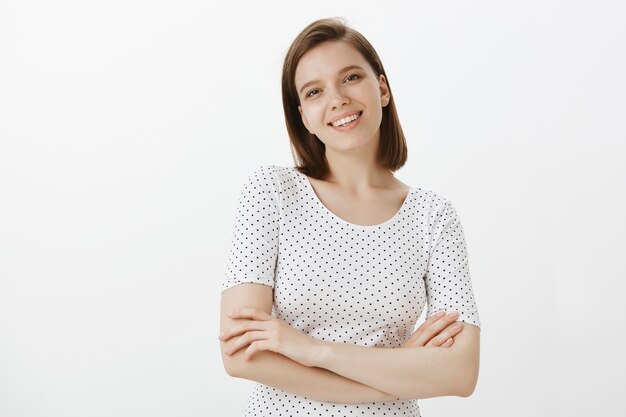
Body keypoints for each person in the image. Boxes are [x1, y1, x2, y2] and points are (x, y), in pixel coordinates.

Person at [218, 17, 481, 417]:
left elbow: (460, 373)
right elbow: (241, 356)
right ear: (303, 115)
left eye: (351, 77)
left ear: (382, 88)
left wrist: (310, 350)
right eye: (314, 91)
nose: (337, 98)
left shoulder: (433, 215)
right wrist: (397, 374)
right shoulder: (271, 192)